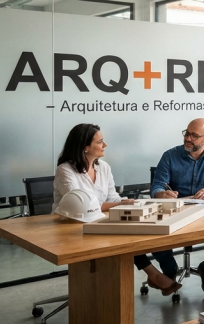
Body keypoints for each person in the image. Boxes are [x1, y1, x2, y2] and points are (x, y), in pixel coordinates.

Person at [53, 124, 181, 296]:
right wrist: (118, 205)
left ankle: (153, 275)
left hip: (97, 220)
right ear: (85, 147)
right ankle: (153, 275)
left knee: (131, 232)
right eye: (100, 141)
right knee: (122, 237)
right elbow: (81, 205)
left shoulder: (103, 167)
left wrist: (126, 203)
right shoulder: (65, 170)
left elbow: (112, 197)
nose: (105, 145)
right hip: (71, 225)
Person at [145, 118, 204, 295]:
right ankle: (169, 269)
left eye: (194, 136)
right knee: (152, 231)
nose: (188, 138)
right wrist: (162, 194)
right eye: (187, 133)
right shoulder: (170, 155)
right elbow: (156, 186)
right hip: (175, 210)